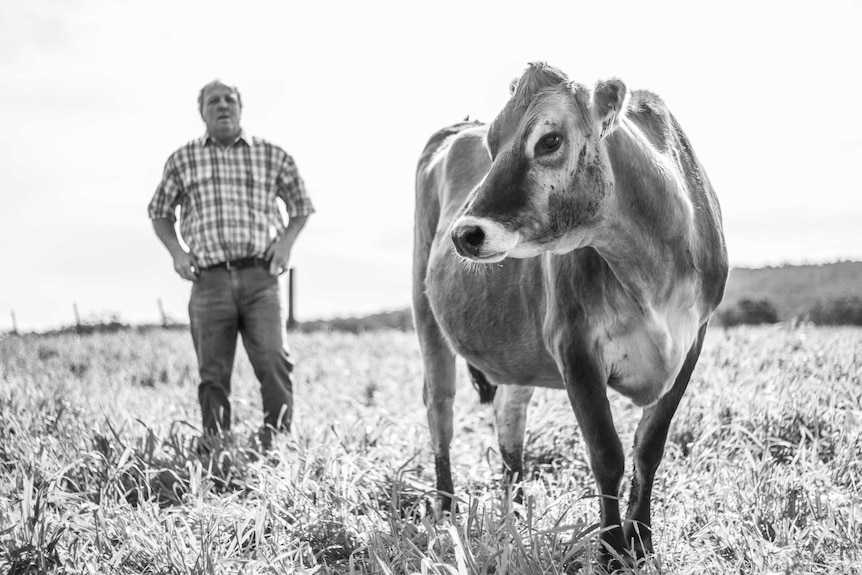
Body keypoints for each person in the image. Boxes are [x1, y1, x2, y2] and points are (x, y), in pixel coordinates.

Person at [148, 80, 314, 447]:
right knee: (213, 371)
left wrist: (285, 245)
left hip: (262, 279)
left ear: (240, 107)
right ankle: (217, 445)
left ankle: (277, 442)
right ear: (202, 111)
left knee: (274, 361)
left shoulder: (272, 154)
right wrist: (177, 252)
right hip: (209, 282)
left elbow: (301, 205)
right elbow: (159, 212)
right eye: (213, 101)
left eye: (229, 99)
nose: (222, 106)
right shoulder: (182, 159)